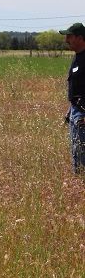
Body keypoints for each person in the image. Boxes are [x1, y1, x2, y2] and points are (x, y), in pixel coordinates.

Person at [60, 22, 85, 173]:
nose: (66, 40)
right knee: (77, 155)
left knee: (83, 158)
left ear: (80, 38)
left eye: (69, 36)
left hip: (83, 115)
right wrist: (71, 110)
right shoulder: (77, 58)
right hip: (76, 113)